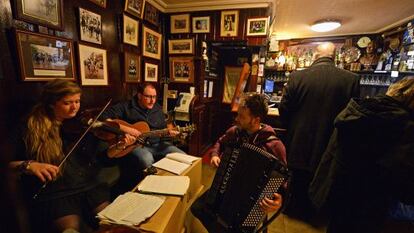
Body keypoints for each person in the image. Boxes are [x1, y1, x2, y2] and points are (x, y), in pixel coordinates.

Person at [8, 79, 135, 233]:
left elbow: (101, 159)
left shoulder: (82, 124)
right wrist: (30, 165)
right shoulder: (29, 128)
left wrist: (117, 148)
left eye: (77, 101)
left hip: (88, 185)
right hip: (55, 192)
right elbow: (8, 164)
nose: (75, 107)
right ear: (51, 103)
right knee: (69, 229)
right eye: (67, 103)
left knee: (113, 224)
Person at [309, 76, 414, 233]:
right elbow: (403, 184)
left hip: (338, 193)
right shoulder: (404, 127)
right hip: (371, 206)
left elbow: (332, 154)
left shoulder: (355, 110)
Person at [278, 42, 360, 224]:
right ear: (334, 56)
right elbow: (352, 114)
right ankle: (317, 214)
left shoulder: (297, 77)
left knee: (298, 177)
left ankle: (294, 210)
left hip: (299, 138)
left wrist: (292, 127)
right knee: (323, 176)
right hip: (330, 139)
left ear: (315, 55)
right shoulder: (351, 79)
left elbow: (284, 109)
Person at [192, 94, 287, 232]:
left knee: (238, 228)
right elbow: (220, 142)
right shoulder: (235, 132)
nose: (236, 119)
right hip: (226, 188)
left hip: (252, 202)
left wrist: (279, 201)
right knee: (199, 208)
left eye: (241, 116)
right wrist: (214, 155)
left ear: (256, 120)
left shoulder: (274, 145)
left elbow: (283, 178)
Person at [100, 83, 185, 171]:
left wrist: (170, 134)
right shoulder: (126, 106)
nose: (152, 101)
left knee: (182, 156)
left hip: (158, 145)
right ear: (139, 96)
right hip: (136, 146)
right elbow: (102, 117)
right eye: (148, 97)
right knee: (146, 160)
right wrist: (127, 129)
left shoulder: (157, 108)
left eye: (154, 97)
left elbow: (164, 129)